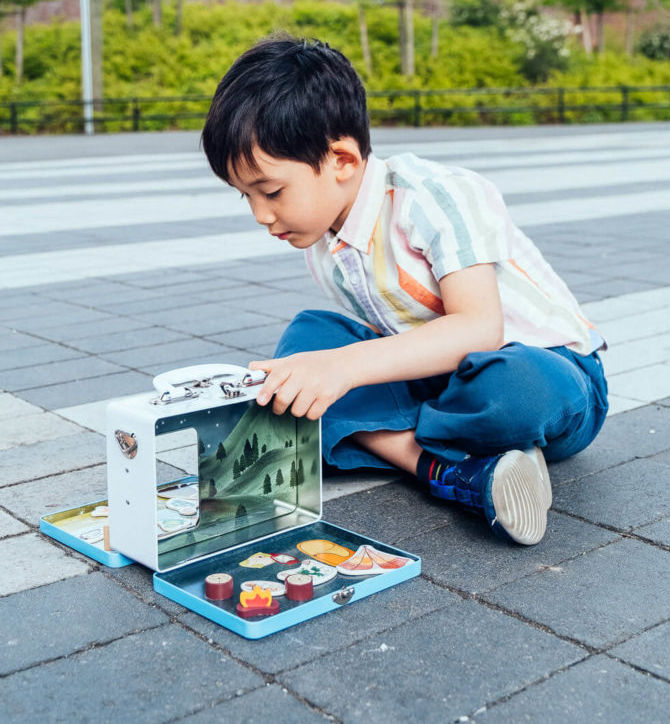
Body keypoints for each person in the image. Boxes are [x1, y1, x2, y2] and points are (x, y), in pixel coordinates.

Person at [201, 33, 608, 546]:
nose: (262, 216)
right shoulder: (321, 240)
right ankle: (458, 472)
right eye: (247, 197)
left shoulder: (432, 196)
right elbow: (385, 338)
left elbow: (480, 328)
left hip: (553, 372)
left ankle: (436, 445)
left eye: (272, 191)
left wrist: (342, 371)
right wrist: (325, 368)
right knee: (308, 341)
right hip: (441, 380)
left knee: (511, 389)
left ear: (343, 161)